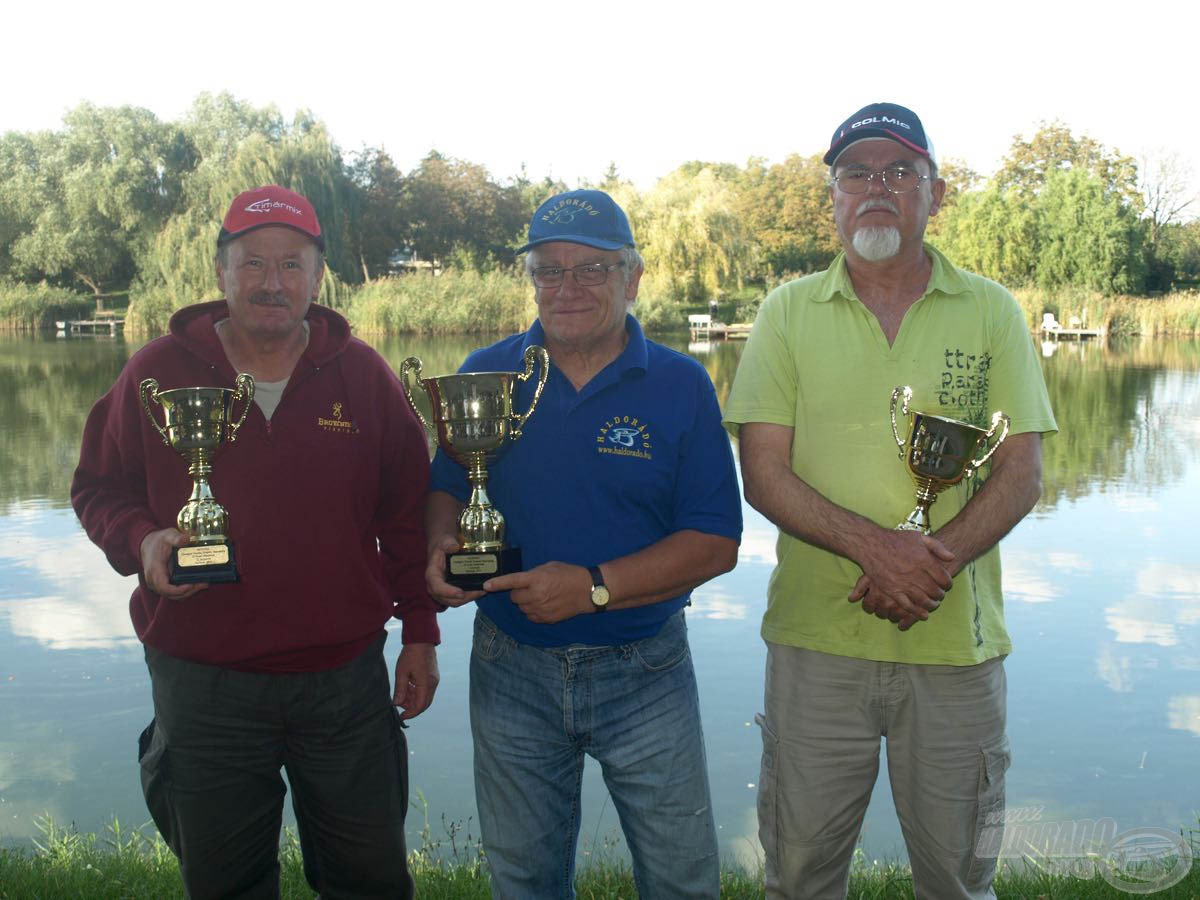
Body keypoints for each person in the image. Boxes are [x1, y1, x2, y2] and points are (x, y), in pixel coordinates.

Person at [723, 103, 1058, 899]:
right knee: (799, 876)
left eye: (900, 172)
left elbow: (1022, 472)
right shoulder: (786, 311)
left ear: (934, 194)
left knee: (957, 882)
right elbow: (763, 473)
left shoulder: (992, 310)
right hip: (816, 643)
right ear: (833, 196)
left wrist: (927, 565)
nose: (877, 188)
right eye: (856, 174)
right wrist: (880, 550)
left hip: (955, 647)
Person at [71, 185, 440, 899]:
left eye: (292, 264)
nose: (273, 282)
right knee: (225, 885)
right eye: (253, 263)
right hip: (203, 681)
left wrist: (419, 632)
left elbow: (404, 517)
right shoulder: (156, 371)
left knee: (370, 881)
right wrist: (143, 543)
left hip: (343, 682)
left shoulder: (362, 375)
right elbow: (96, 487)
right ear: (220, 272)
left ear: (318, 276)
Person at [425, 189, 742, 898]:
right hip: (510, 668)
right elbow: (447, 483)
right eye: (548, 270)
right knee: (524, 883)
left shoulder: (682, 384)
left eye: (591, 270)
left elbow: (716, 540)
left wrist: (594, 585)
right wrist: (443, 539)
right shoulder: (486, 372)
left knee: (682, 881)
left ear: (631, 278)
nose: (566, 289)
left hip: (646, 670)